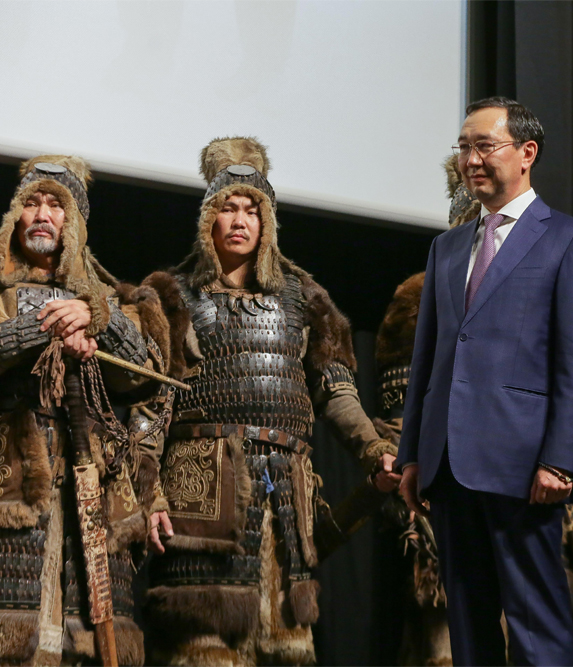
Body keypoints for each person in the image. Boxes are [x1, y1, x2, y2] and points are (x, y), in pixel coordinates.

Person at [141, 136, 399, 666]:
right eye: (228, 208)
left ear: (267, 223)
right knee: (200, 649)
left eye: (251, 210)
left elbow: (337, 392)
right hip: (201, 497)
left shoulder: (305, 299)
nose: (240, 220)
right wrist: (149, 492)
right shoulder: (172, 295)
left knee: (282, 648)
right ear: (208, 220)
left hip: (282, 498)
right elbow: (150, 405)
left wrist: (374, 449)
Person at [397, 98, 573, 666]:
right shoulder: (446, 247)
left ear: (527, 152)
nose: (471, 159)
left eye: (484, 146)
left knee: (537, 626)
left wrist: (560, 460)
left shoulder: (571, 239)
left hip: (523, 465)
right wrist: (412, 453)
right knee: (469, 632)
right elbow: (428, 362)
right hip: (448, 465)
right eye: (464, 148)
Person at [0, 156, 170, 666]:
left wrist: (96, 317)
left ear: (76, 222)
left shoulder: (114, 301)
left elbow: (147, 374)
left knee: (85, 650)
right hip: (5, 482)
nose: (42, 215)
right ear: (13, 217)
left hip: (92, 486)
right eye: (31, 203)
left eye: (56, 205)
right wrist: (52, 324)